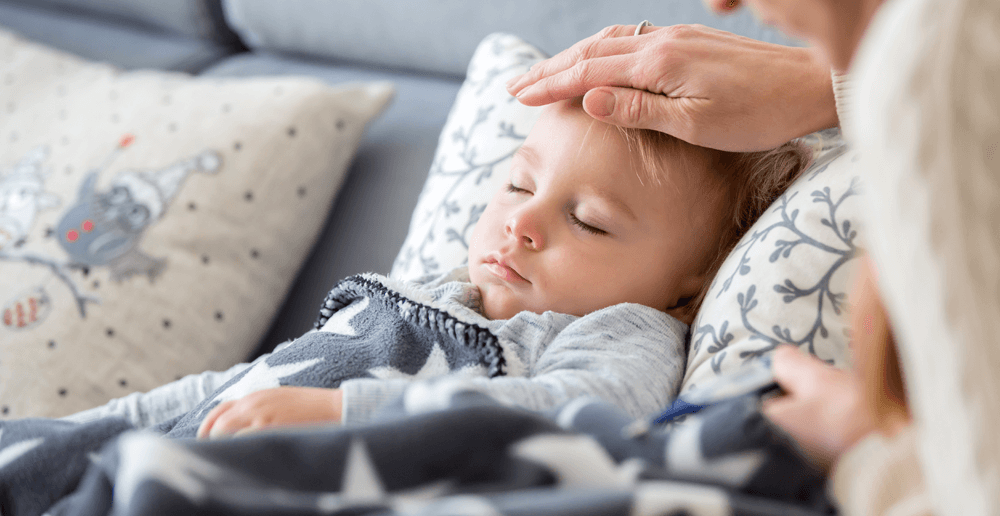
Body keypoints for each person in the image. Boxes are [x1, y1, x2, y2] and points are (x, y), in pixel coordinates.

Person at [57, 95, 810, 442]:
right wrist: (81, 431)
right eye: (519, 184)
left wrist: (346, 417)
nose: (521, 220)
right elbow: (232, 387)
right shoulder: (424, 292)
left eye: (587, 221)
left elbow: (584, 414)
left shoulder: (621, 333)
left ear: (687, 293)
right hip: (166, 446)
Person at [507, 0, 1000, 514]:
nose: (721, 5)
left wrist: (860, 452)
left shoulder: (943, 68)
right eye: (515, 186)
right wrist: (824, 84)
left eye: (589, 220)